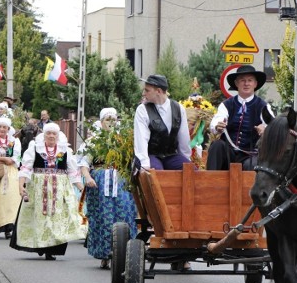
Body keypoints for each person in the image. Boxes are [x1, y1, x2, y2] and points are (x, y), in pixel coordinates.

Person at [10, 123, 86, 260]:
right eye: (48, 133)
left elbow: (73, 172)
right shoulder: (35, 148)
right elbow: (26, 168)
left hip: (60, 190)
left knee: (57, 218)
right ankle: (40, 246)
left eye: (54, 134)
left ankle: (52, 249)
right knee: (40, 218)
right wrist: (21, 186)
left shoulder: (65, 150)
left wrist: (81, 188)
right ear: (44, 135)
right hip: (39, 190)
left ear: (58, 136)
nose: (51, 136)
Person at [78, 107, 137, 269]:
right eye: (107, 119)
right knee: (104, 218)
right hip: (100, 184)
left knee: (124, 215)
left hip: (121, 183)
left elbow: (131, 162)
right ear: (101, 122)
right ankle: (105, 254)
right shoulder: (94, 141)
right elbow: (84, 163)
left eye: (113, 119)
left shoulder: (123, 141)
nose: (111, 123)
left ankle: (126, 254)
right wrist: (88, 177)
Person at [206, 65, 274, 171]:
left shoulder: (263, 106)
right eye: (242, 80)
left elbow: (274, 126)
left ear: (255, 84)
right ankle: (209, 183)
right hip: (228, 152)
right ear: (236, 84)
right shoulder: (226, 105)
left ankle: (251, 188)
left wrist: (266, 129)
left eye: (250, 80)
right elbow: (216, 121)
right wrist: (218, 126)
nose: (246, 84)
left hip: (250, 154)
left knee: (253, 163)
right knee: (216, 146)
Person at [133, 74, 192, 170]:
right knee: (157, 174)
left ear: (158, 91)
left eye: (147, 90)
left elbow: (184, 138)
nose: (143, 93)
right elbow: (141, 139)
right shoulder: (142, 109)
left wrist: (186, 162)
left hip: (171, 155)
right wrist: (144, 165)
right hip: (151, 156)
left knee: (191, 172)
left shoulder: (178, 108)